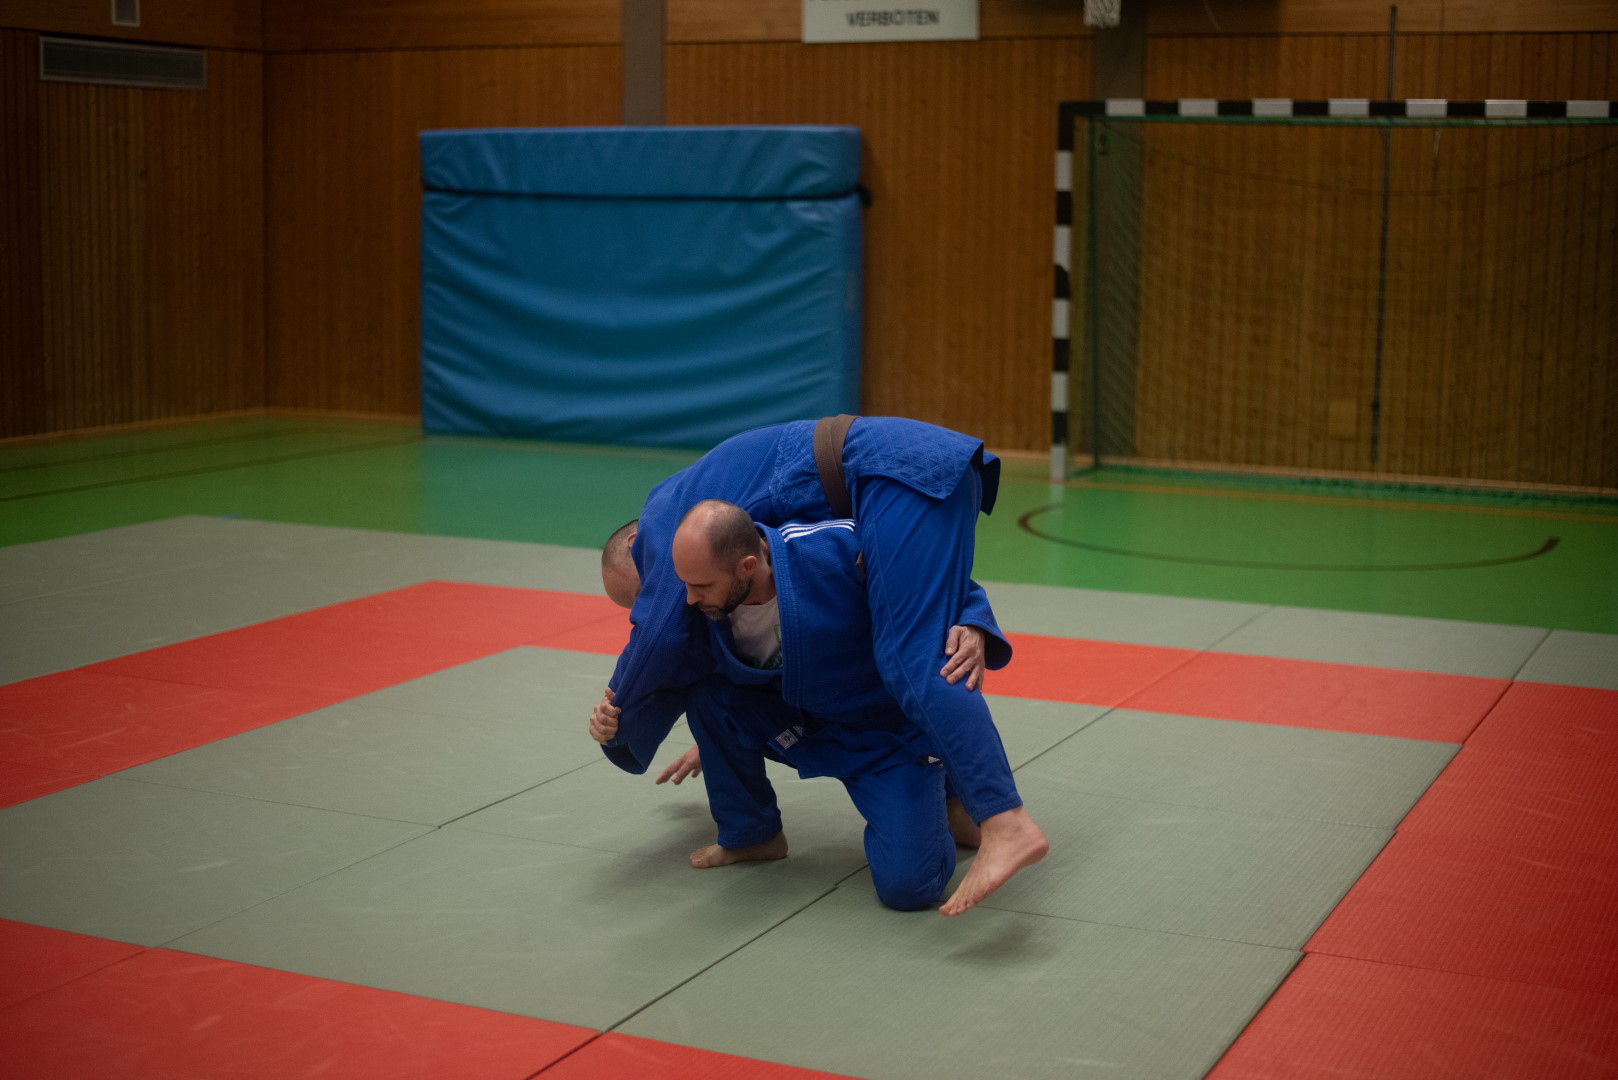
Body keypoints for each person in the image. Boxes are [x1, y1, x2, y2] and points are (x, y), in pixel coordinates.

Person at [594, 420, 1050, 917]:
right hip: (805, 723)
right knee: (711, 699)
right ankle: (751, 834)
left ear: (746, 565)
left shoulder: (824, 549)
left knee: (909, 887)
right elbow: (677, 672)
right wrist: (632, 721)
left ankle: (965, 800)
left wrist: (972, 621)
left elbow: (925, 579)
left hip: (882, 736)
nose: (675, 598)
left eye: (648, 591)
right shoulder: (702, 599)